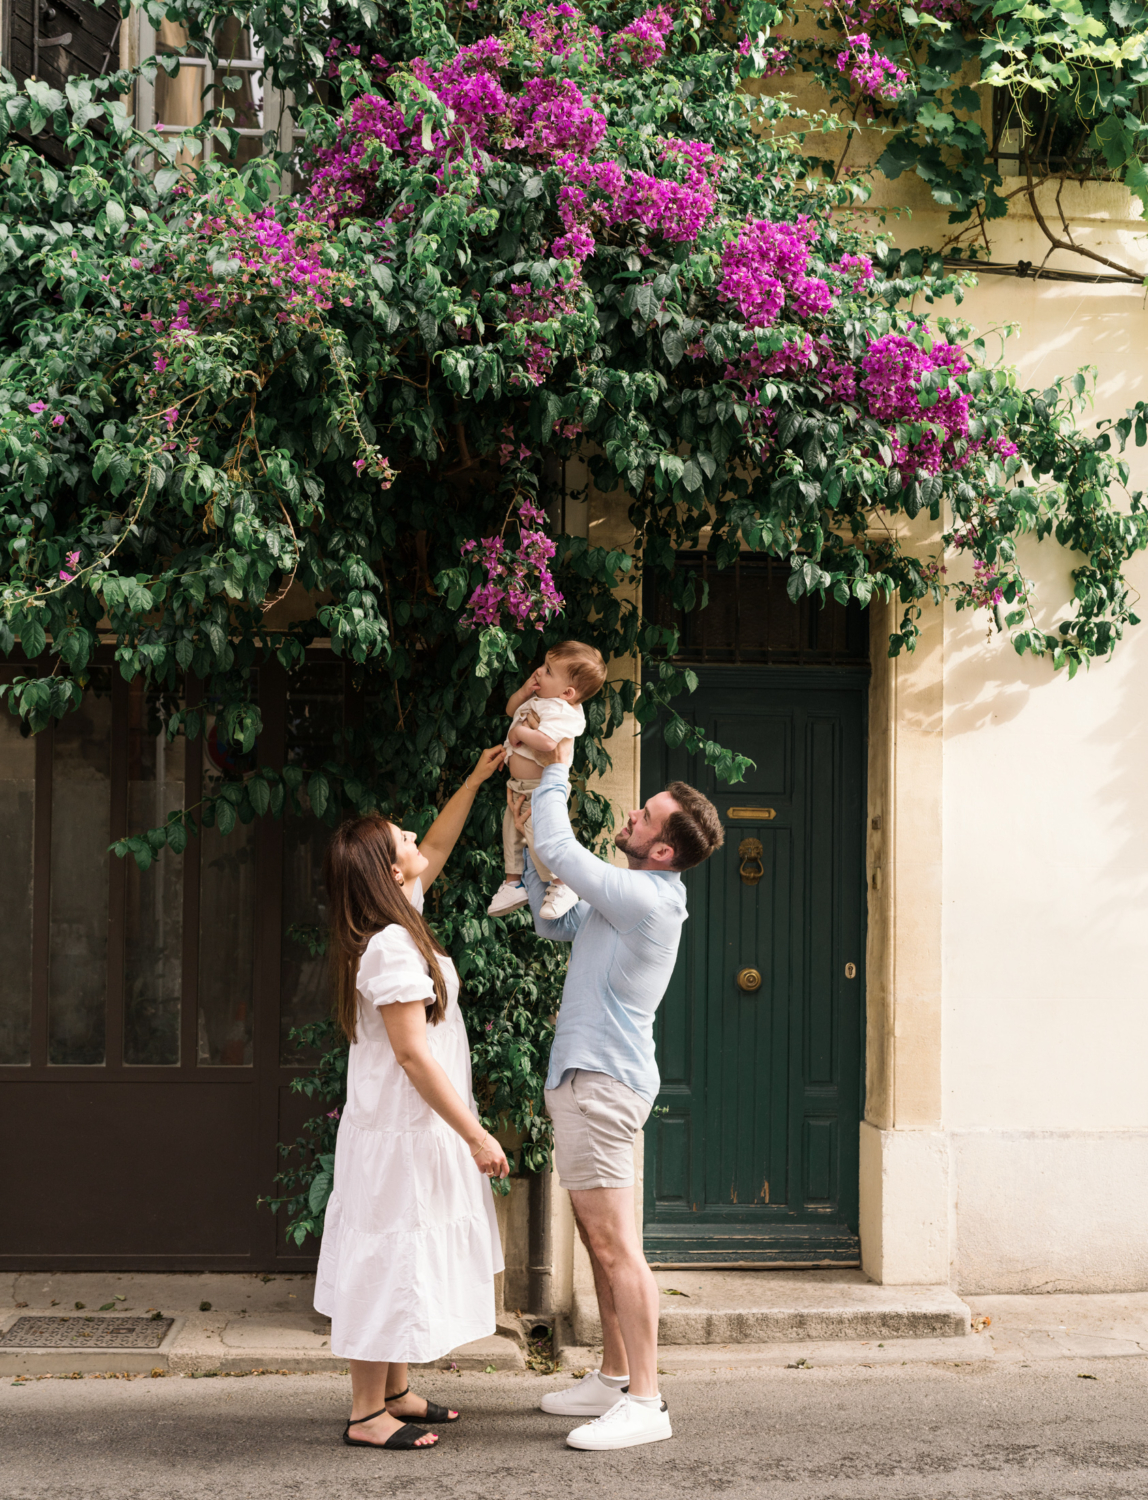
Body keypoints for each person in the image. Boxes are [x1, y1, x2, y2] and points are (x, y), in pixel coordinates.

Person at [515, 741, 724, 1450]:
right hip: (589, 1080)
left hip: (602, 1085)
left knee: (616, 1248)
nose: (633, 814)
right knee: (600, 1242)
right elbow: (553, 918)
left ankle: (648, 1400)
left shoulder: (643, 897)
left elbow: (559, 845)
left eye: (647, 816)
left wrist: (556, 763)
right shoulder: (622, 899)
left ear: (663, 852)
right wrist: (526, 850)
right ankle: (610, 1377)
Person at [314, 746, 510, 1453]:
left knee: (403, 1251)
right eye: (400, 838)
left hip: (406, 1130)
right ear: (389, 873)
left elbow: (438, 841)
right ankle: (368, 1413)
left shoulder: (397, 921)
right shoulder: (393, 948)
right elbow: (412, 1057)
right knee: (386, 1254)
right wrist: (477, 1136)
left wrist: (479, 777)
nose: (413, 839)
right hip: (402, 1128)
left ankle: (395, 1390)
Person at [486, 640, 607, 923]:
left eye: (548, 671)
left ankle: (563, 885)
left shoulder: (563, 711)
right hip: (519, 786)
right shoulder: (542, 699)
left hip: (544, 789)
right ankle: (513, 883)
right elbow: (510, 709)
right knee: (511, 832)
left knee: (541, 838)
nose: (539, 672)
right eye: (542, 665)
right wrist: (523, 692)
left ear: (567, 692)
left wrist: (518, 734)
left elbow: (547, 742)